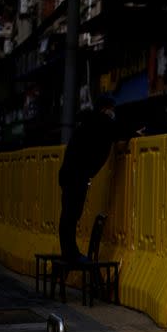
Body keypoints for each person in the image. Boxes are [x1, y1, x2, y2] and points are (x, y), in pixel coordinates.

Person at [58, 95, 120, 261]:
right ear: (105, 109)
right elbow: (117, 131)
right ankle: (71, 253)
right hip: (77, 176)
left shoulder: (88, 122)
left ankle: (68, 252)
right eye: (111, 109)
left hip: (70, 174)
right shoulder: (101, 121)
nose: (112, 113)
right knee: (72, 215)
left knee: (68, 215)